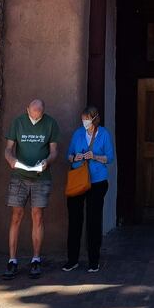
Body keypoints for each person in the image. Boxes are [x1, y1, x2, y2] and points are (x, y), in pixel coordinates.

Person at [3, 97, 60, 278]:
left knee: (37, 215)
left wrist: (47, 162)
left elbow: (54, 151)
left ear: (43, 112)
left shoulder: (51, 124)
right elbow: (8, 148)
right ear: (27, 109)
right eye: (33, 114)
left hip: (40, 177)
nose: (36, 118)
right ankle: (12, 260)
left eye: (39, 115)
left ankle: (36, 259)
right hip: (19, 176)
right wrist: (10, 159)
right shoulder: (18, 122)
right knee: (16, 215)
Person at [63, 105, 115, 273]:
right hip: (79, 179)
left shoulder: (104, 134)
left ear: (94, 119)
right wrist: (74, 157)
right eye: (82, 119)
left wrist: (95, 156)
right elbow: (69, 154)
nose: (84, 122)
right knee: (75, 219)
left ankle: (94, 260)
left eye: (87, 119)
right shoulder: (78, 134)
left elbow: (110, 158)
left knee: (93, 220)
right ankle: (72, 259)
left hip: (97, 182)